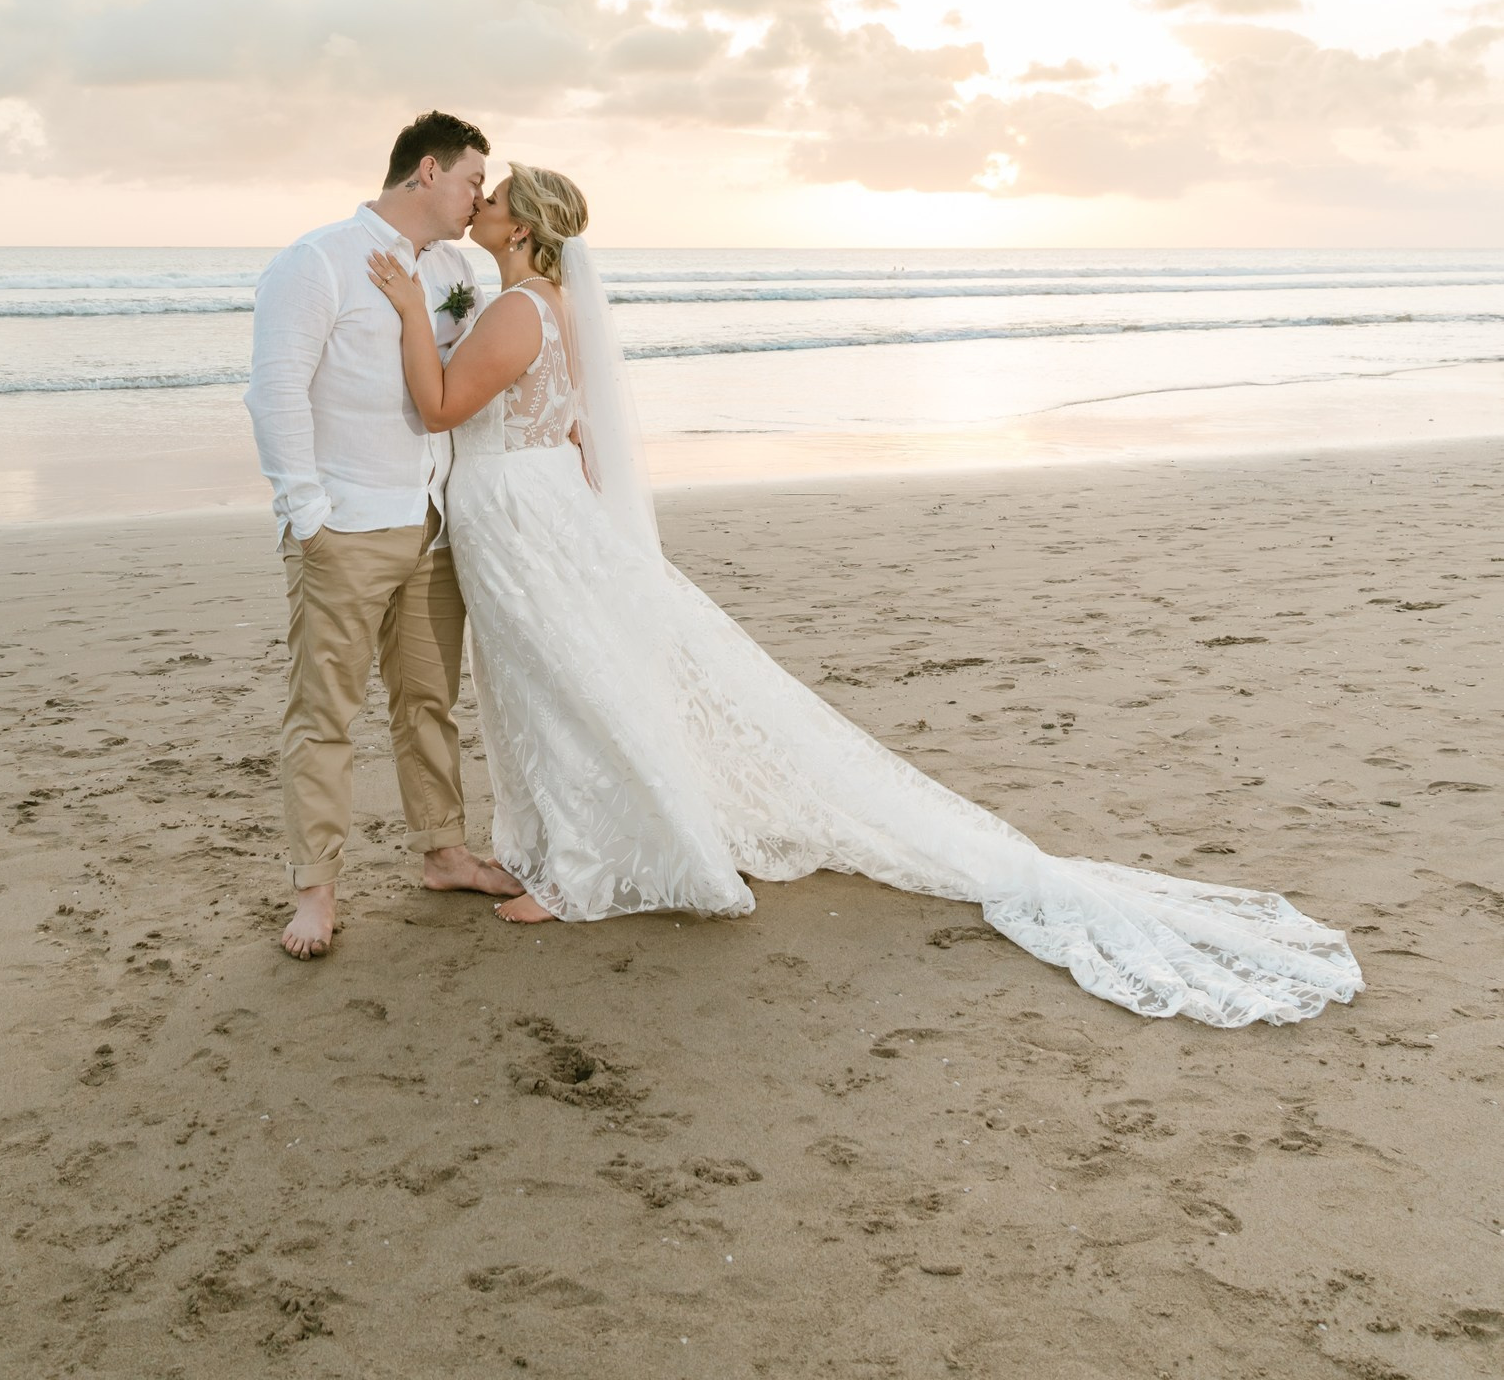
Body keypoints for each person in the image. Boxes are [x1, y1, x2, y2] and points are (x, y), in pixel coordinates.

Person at [367, 165, 1365, 1027]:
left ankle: (582, 867)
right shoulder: (553, 303)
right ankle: (573, 846)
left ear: (523, 229)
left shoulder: (516, 309)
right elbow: (572, 424)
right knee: (559, 680)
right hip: (532, 510)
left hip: (520, 515)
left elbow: (444, 406)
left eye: (495, 198)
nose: (481, 204)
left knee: (557, 685)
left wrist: (413, 313)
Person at [246, 110, 517, 959]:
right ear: (427, 172)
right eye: (473, 180)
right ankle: (315, 890)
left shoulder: (458, 269)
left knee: (428, 703)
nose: (478, 198)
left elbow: (462, 376)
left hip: (434, 523)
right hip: (348, 525)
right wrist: (307, 513)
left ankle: (443, 853)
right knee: (324, 713)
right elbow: (275, 391)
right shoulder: (317, 260)